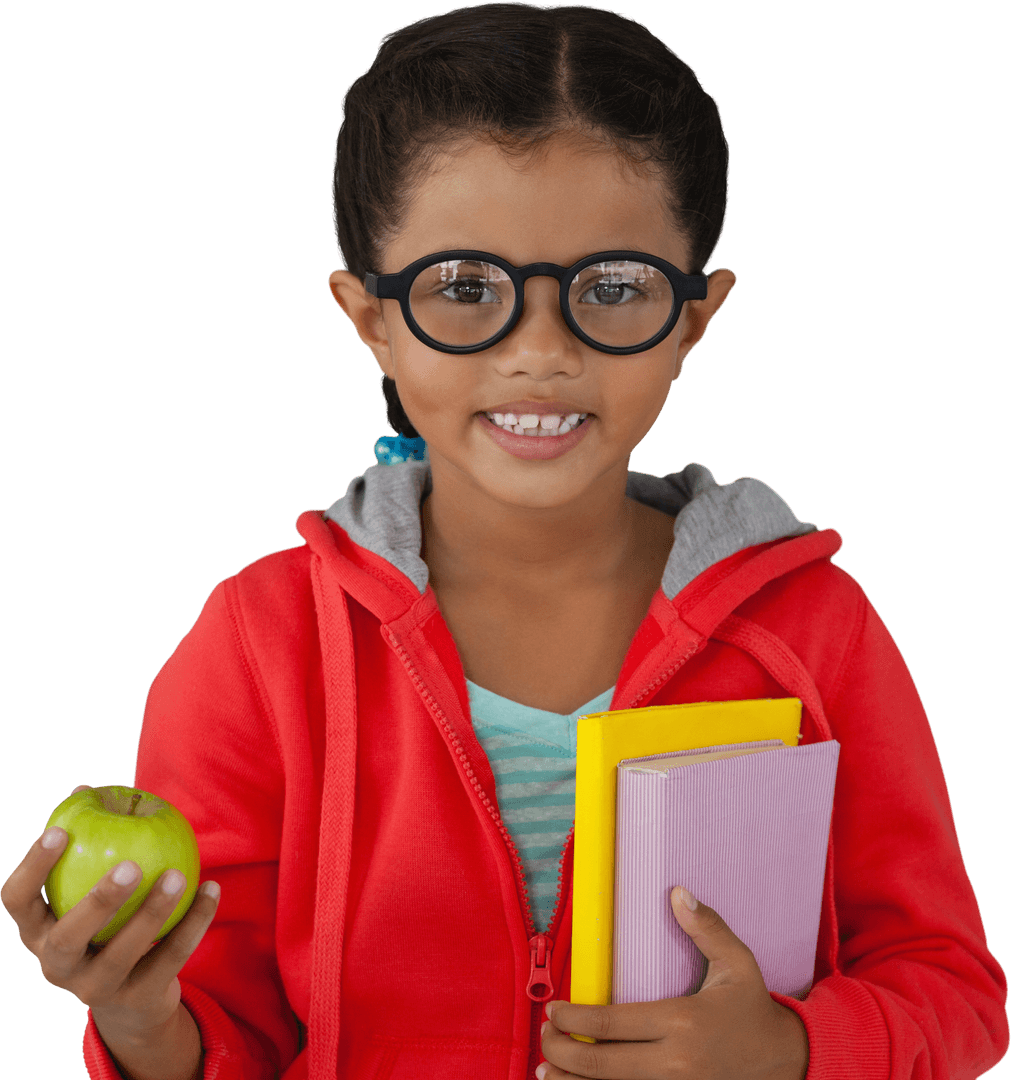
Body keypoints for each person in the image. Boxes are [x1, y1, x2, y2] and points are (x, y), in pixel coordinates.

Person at [3, 4, 1008, 1079]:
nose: (539, 353)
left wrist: (795, 1051)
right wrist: (143, 1021)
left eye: (614, 289)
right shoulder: (258, 645)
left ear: (695, 318)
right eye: (465, 289)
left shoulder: (817, 632)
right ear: (369, 318)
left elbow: (954, 991)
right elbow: (227, 1036)